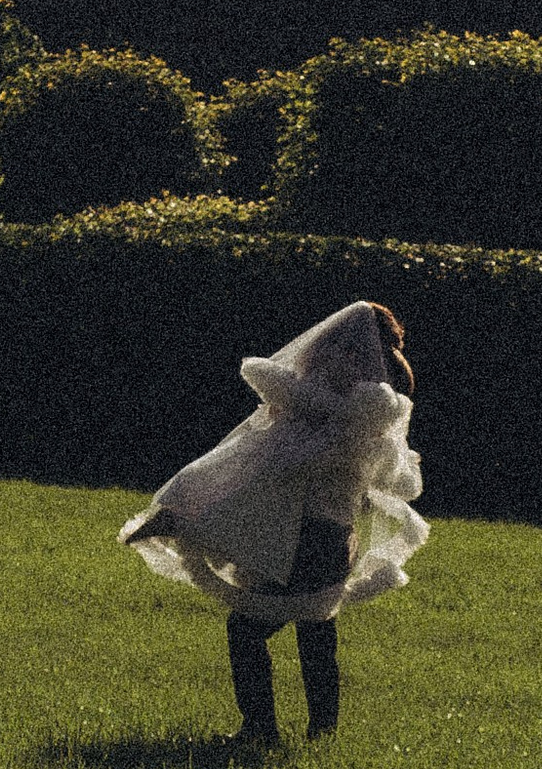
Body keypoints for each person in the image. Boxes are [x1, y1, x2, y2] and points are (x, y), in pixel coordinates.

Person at [120, 299, 424, 741]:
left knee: (248, 628)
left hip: (305, 538)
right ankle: (321, 730)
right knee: (316, 630)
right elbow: (396, 482)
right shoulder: (367, 419)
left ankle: (261, 727)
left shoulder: (335, 424)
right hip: (335, 537)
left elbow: (271, 467)